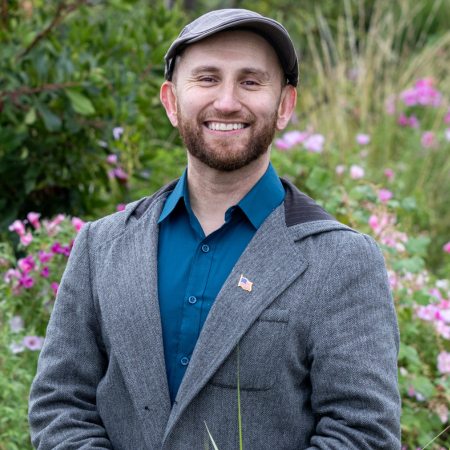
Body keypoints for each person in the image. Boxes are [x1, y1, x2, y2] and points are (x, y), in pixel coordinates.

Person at [29, 8, 401, 450]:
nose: (226, 101)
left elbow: (363, 434)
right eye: (206, 79)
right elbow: (60, 404)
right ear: (171, 101)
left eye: (251, 81)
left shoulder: (342, 261)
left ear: (284, 105)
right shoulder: (102, 246)